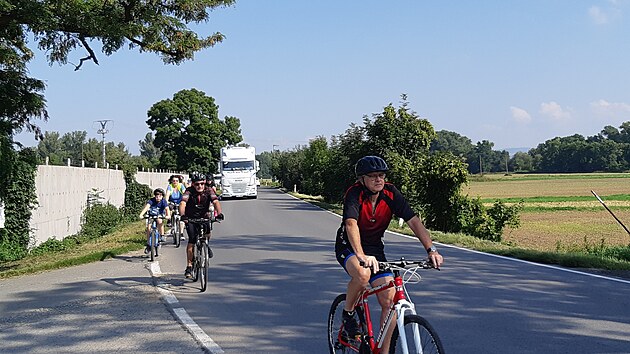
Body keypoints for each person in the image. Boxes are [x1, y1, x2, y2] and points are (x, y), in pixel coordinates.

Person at [334, 156, 444, 352]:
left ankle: (383, 351)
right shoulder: (354, 193)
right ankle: (348, 313)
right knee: (362, 275)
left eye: (382, 175)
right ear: (362, 179)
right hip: (350, 246)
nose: (379, 180)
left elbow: (413, 221)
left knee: (389, 299)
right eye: (373, 176)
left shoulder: (390, 193)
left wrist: (431, 249)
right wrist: (360, 255)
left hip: (375, 249)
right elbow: (351, 224)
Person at [179, 172, 224, 279]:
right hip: (191, 218)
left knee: (208, 233)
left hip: (204, 217)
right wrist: (183, 216)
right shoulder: (189, 191)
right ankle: (189, 266)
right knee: (192, 241)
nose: (200, 186)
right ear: (193, 184)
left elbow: (216, 201)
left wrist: (219, 213)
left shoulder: (209, 190)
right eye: (197, 184)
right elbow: (183, 203)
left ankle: (206, 244)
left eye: (202, 184)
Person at [139, 188, 171, 254]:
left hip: (159, 215)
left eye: (160, 196)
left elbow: (167, 209)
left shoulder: (163, 201)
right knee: (148, 228)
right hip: (151, 215)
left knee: (159, 221)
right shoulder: (151, 200)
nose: (158, 197)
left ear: (162, 196)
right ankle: (148, 244)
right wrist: (141, 214)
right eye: (156, 196)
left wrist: (168, 216)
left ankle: (162, 235)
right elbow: (147, 207)